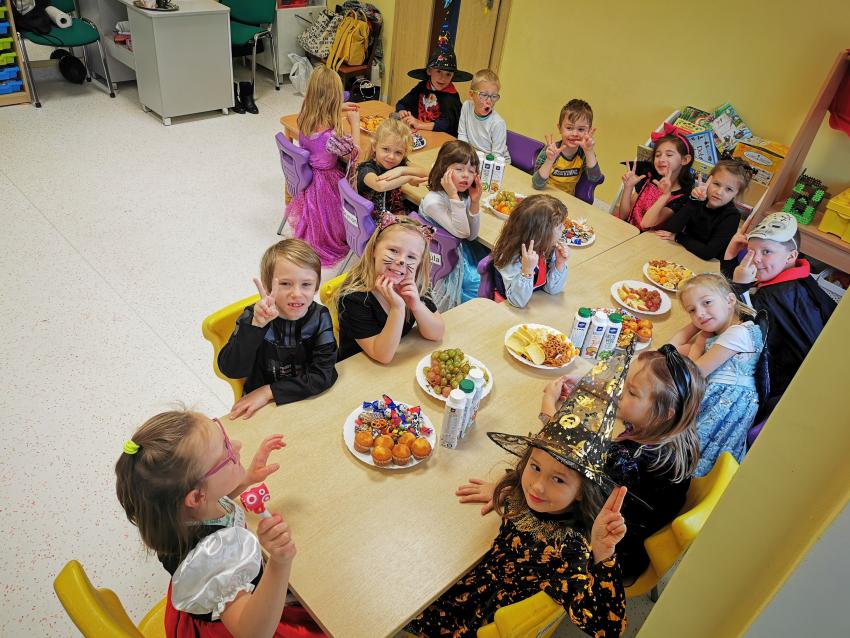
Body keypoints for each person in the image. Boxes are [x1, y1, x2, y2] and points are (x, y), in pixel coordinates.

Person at [461, 346, 705, 583]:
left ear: (664, 413)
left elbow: (560, 460)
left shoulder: (626, 463)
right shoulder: (674, 432)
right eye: (624, 381)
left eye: (631, 392)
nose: (619, 392)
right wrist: (591, 387)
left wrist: (548, 407)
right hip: (629, 532)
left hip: (598, 554)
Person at [407, 400, 628, 636]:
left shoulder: (568, 550)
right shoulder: (535, 495)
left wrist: (603, 554)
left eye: (558, 479)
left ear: (582, 491)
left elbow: (609, 628)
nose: (538, 486)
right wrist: (503, 488)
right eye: (535, 467)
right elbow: (527, 477)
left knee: (408, 593)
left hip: (476, 613)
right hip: (478, 569)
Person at [115, 411, 322, 637]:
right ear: (196, 497)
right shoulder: (212, 557)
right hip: (247, 617)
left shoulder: (180, 514)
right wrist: (280, 562)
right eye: (226, 451)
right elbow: (253, 633)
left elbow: (217, 500)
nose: (238, 445)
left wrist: (247, 478)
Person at [721, 211, 836, 420]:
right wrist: (730, 259)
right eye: (751, 251)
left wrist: (739, 286)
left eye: (766, 251)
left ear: (791, 256)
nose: (755, 259)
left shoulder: (774, 297)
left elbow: (732, 326)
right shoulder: (798, 278)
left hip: (776, 395)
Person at [218, 239, 337, 420]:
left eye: (306, 284)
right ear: (267, 287)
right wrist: (255, 327)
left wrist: (269, 391)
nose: (296, 293)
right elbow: (231, 369)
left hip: (306, 397)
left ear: (316, 287)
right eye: (285, 284)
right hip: (261, 406)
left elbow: (323, 375)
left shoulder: (320, 317)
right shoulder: (253, 317)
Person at [670, 273, 765, 475]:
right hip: (715, 398)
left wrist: (698, 342)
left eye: (707, 303)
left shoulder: (737, 334)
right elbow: (672, 348)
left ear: (730, 300)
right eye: (692, 310)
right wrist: (701, 323)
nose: (700, 313)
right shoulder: (723, 331)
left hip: (723, 407)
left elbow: (694, 375)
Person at [332, 213, 444, 363]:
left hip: (397, 360)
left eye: (411, 257)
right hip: (360, 367)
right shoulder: (353, 298)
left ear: (419, 263)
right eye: (393, 250)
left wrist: (416, 305)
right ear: (374, 249)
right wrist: (397, 308)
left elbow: (437, 334)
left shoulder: (415, 285)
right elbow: (382, 356)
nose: (401, 261)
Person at [287, 66, 361, 267]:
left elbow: (319, 107)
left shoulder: (304, 116)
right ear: (334, 99)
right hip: (326, 183)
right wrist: (355, 123)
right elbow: (355, 153)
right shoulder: (331, 137)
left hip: (309, 178)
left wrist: (339, 108)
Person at [417, 140, 485, 311]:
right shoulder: (433, 201)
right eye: (459, 169)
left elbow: (472, 235)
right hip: (443, 256)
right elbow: (463, 233)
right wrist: (454, 196)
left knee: (493, 261)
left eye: (471, 171)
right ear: (443, 169)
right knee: (479, 279)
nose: (466, 175)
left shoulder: (462, 196)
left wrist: (475, 202)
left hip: (458, 248)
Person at [654, 159, 751, 260]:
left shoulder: (732, 216)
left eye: (729, 189)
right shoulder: (698, 200)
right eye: (716, 184)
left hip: (708, 263)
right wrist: (693, 201)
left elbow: (708, 253)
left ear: (736, 193)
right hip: (685, 253)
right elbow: (671, 229)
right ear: (709, 180)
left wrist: (678, 237)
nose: (719, 192)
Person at [488, 194, 569, 307]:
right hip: (506, 307)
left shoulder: (546, 248)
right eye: (559, 226)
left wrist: (559, 264)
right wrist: (526, 271)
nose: (563, 229)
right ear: (541, 234)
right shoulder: (511, 256)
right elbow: (517, 302)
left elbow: (552, 290)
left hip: (535, 304)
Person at [616, 125, 694, 231]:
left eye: (669, 155)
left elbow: (646, 224)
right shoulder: (649, 177)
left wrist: (665, 195)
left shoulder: (681, 195)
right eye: (658, 155)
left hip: (646, 239)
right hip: (628, 230)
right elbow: (624, 216)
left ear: (685, 160)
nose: (661, 159)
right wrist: (628, 188)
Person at [356, 117, 428, 219]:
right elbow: (380, 186)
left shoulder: (400, 164)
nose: (391, 156)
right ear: (374, 146)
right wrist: (408, 178)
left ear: (404, 153)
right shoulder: (366, 169)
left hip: (394, 213)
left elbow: (425, 172)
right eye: (386, 149)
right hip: (372, 220)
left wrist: (401, 170)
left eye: (398, 152)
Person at [532, 99, 603, 198]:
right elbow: (537, 184)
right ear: (560, 128)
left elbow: (595, 178)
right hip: (543, 197)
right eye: (569, 128)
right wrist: (550, 160)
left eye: (581, 129)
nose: (575, 133)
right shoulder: (551, 151)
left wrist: (589, 151)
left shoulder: (584, 154)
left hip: (567, 201)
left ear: (589, 131)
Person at [395, 45, 471, 136]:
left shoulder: (451, 97)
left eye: (448, 74)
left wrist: (419, 124)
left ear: (452, 76)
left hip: (441, 137)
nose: (443, 78)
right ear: (429, 71)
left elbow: (446, 125)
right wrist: (402, 111)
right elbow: (402, 103)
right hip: (419, 134)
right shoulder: (422, 86)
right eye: (439, 71)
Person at [457, 68, 510, 163]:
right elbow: (462, 135)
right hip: (473, 156)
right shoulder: (466, 106)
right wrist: (465, 155)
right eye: (484, 95)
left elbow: (496, 156)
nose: (489, 101)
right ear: (471, 95)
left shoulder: (498, 123)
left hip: (496, 162)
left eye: (494, 96)